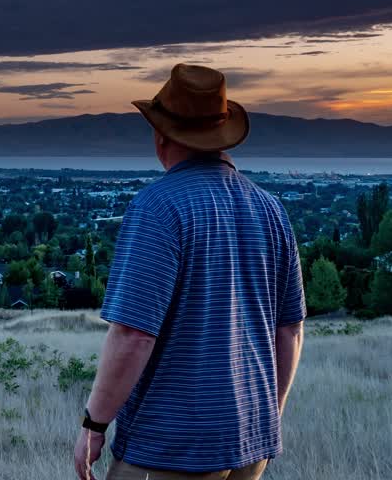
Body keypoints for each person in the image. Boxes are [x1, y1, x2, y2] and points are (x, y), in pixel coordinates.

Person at [73, 63, 306, 480]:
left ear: (161, 135)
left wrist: (94, 425)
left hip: (171, 445)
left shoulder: (159, 207)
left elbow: (132, 335)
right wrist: (269, 411)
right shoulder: (271, 210)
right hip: (251, 439)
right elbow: (289, 330)